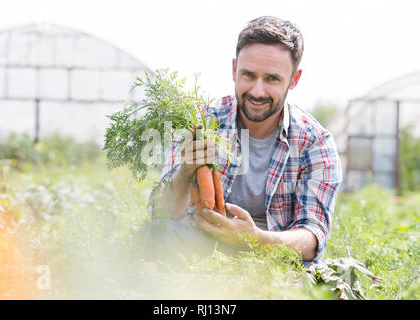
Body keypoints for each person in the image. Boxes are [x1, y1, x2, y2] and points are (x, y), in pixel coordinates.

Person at [144, 15, 342, 269]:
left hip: (272, 261)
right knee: (151, 240)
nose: (257, 91)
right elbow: (160, 214)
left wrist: (253, 239)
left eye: (272, 79)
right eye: (248, 75)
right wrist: (184, 171)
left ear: (294, 79)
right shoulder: (201, 124)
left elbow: (313, 238)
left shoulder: (314, 142)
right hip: (199, 250)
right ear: (234, 69)